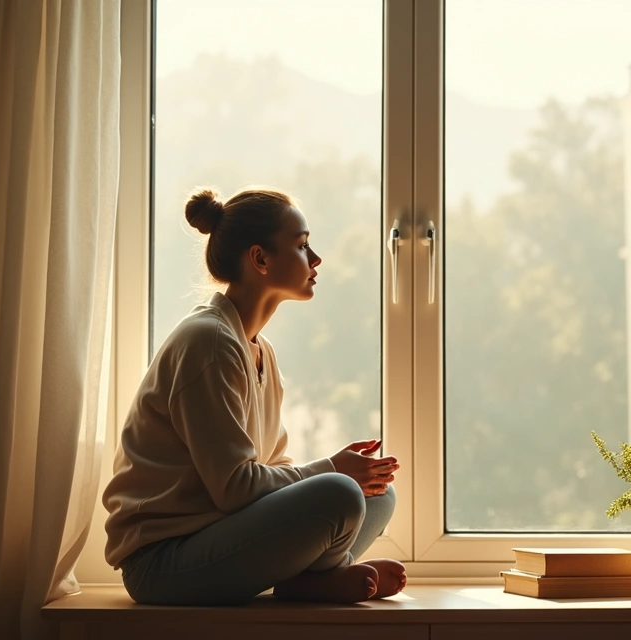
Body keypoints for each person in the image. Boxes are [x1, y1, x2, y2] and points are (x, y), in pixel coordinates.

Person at [102, 187, 406, 605]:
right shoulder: (208, 342)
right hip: (163, 563)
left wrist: (337, 473)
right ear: (260, 259)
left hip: (220, 538)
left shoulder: (257, 348)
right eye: (301, 246)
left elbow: (272, 467)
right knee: (341, 492)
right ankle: (319, 577)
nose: (315, 259)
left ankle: (308, 578)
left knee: (377, 493)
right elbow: (236, 488)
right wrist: (331, 468)